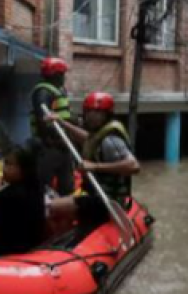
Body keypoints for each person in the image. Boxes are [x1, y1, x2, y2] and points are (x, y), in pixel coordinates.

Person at [47, 91, 140, 228]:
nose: (91, 117)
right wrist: (62, 123)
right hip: (97, 197)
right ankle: (65, 237)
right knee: (60, 206)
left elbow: (134, 166)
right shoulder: (99, 136)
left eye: (97, 113)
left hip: (105, 202)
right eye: (89, 112)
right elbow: (88, 139)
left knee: (49, 206)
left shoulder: (111, 140)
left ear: (106, 115)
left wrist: (95, 166)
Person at [0, 143, 47, 256]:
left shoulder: (6, 197)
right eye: (5, 163)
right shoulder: (36, 190)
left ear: (24, 168)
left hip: (6, 255)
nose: (4, 168)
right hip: (32, 253)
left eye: (9, 164)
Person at [30, 57, 75, 196]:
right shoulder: (43, 92)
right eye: (62, 74)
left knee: (67, 185)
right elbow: (42, 118)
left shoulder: (58, 90)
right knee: (44, 185)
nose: (63, 77)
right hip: (50, 146)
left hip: (63, 145)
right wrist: (49, 141)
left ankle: (65, 208)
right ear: (55, 74)